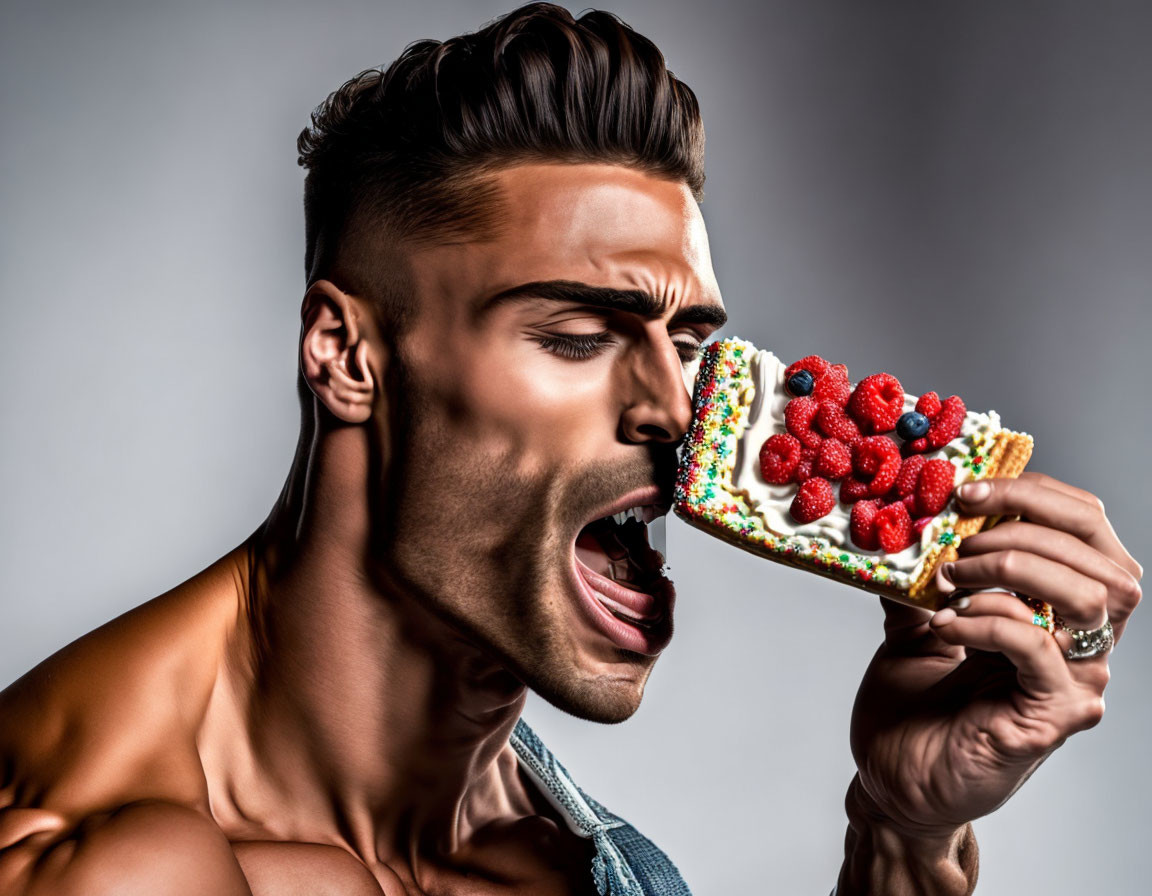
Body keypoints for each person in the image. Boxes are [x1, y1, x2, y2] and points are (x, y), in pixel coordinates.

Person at [0, 4, 1141, 894]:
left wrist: (904, 830)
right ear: (348, 356)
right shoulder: (114, 858)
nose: (678, 407)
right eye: (578, 335)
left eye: (694, 343)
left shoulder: (540, 832)